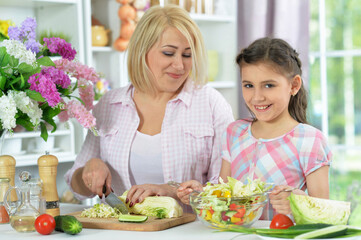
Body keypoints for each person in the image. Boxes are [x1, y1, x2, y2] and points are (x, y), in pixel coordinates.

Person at [64, 5, 234, 207]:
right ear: (142, 51)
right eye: (169, 53)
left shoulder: (212, 104)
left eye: (187, 55)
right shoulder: (109, 104)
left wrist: (171, 191)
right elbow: (76, 187)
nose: (180, 65)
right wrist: (88, 171)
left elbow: (226, 191)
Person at [177, 37, 332, 219]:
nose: (257, 97)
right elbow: (224, 194)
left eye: (269, 85)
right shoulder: (235, 132)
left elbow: (325, 214)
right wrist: (200, 193)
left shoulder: (310, 140)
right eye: (249, 85)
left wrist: (298, 201)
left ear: (294, 85)